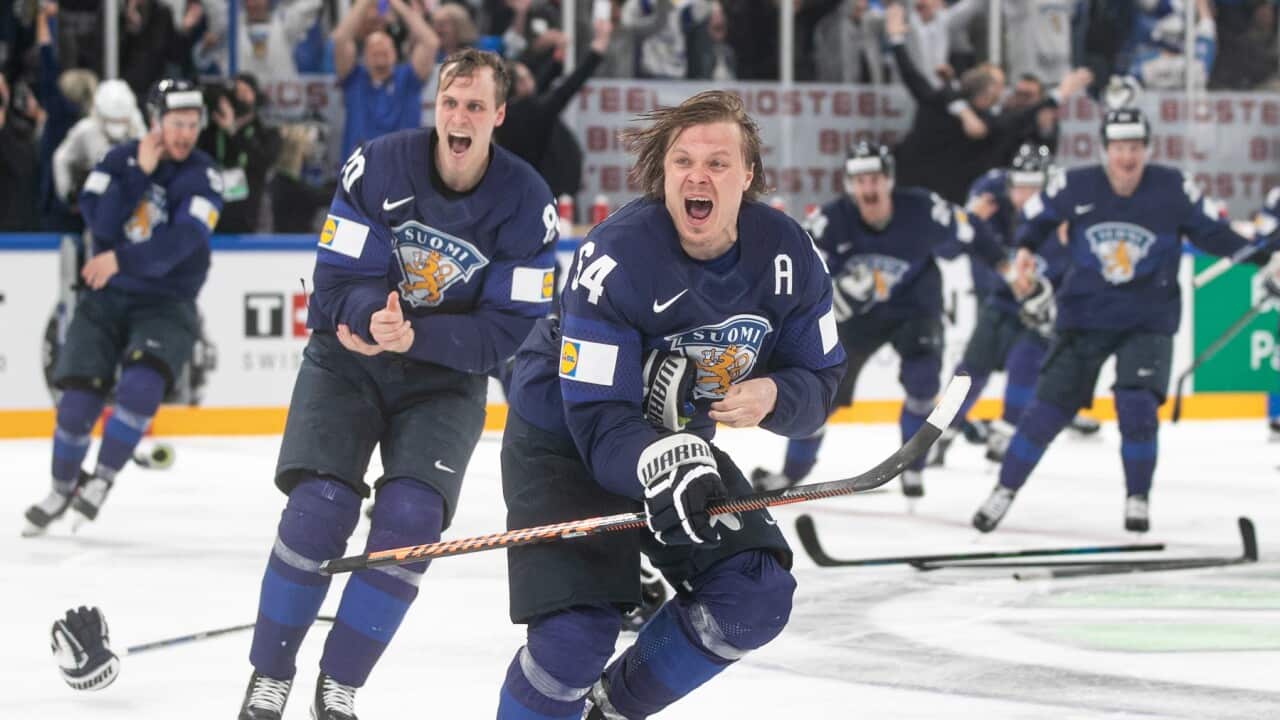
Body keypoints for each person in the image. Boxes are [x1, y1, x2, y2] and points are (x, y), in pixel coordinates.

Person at [495, 90, 846, 720]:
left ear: (749, 176)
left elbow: (819, 383)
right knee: (574, 639)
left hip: (675, 446)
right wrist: (666, 459)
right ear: (663, 174)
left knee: (753, 595)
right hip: (565, 439)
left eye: (717, 162)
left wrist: (775, 394)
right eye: (683, 161)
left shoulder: (790, 255)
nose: (697, 176)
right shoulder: (616, 258)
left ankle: (609, 710)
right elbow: (600, 423)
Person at [236, 49, 557, 720]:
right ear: (434, 108)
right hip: (349, 359)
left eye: (475, 105)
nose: (460, 116)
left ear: (498, 115)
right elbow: (335, 275)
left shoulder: (529, 205)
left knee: (410, 524)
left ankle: (341, 682)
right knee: (318, 510)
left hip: (445, 381)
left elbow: (509, 332)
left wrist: (418, 337)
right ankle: (270, 676)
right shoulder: (378, 162)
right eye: (450, 102)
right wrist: (365, 315)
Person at [972, 107, 1276, 534]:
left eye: (1134, 148)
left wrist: (1265, 256)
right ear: (1104, 150)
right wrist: (1024, 247)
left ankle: (1137, 497)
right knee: (1046, 411)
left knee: (1136, 408)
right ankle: (1003, 490)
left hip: (1148, 319)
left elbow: (1214, 234)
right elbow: (1035, 218)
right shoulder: (1075, 184)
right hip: (1084, 315)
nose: (1127, 158)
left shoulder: (1173, 187)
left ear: (1146, 149)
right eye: (1118, 148)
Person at [21, 78, 223, 536]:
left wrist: (119, 259)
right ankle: (60, 490)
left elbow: (182, 243)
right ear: (156, 120)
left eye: (192, 124)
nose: (185, 134)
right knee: (75, 405)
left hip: (167, 304)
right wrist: (136, 173)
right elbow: (99, 222)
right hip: (107, 299)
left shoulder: (205, 175)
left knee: (139, 389)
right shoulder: (118, 160)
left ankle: (102, 478)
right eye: (177, 123)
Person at [751, 141, 1005, 498]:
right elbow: (802, 274)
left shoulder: (923, 210)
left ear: (889, 180)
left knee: (922, 384)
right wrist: (832, 297)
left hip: (915, 309)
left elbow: (971, 230)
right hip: (858, 320)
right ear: (849, 185)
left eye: (875, 179)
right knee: (821, 395)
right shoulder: (830, 222)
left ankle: (911, 468)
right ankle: (794, 472)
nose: (868, 188)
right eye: (860, 181)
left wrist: (1006, 267)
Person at [928, 143, 1077, 467]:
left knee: (1026, 360)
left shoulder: (1068, 212)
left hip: (1044, 306)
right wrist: (966, 221)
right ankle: (940, 431)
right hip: (999, 298)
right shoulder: (990, 196)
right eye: (1019, 187)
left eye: (1033, 188)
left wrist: (1055, 298)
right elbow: (947, 249)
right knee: (971, 368)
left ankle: (1009, 428)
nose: (1024, 197)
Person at [332, 0, 440, 160]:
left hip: (403, 169)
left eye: (385, 47)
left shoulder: (409, 79)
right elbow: (341, 38)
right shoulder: (353, 79)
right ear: (364, 57)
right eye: (374, 49)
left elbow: (430, 42)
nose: (379, 50)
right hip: (361, 171)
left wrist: (396, 3)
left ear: (395, 54)